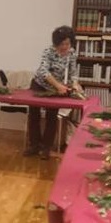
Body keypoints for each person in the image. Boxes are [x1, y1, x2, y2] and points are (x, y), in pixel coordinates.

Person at [26, 26, 79, 159]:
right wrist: (58, 85)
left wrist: (75, 84)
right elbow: (44, 71)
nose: (65, 46)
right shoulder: (48, 51)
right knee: (34, 115)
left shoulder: (72, 53)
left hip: (55, 88)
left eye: (67, 43)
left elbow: (73, 72)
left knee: (52, 116)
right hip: (39, 85)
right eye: (62, 44)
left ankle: (46, 148)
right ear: (56, 43)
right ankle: (34, 145)